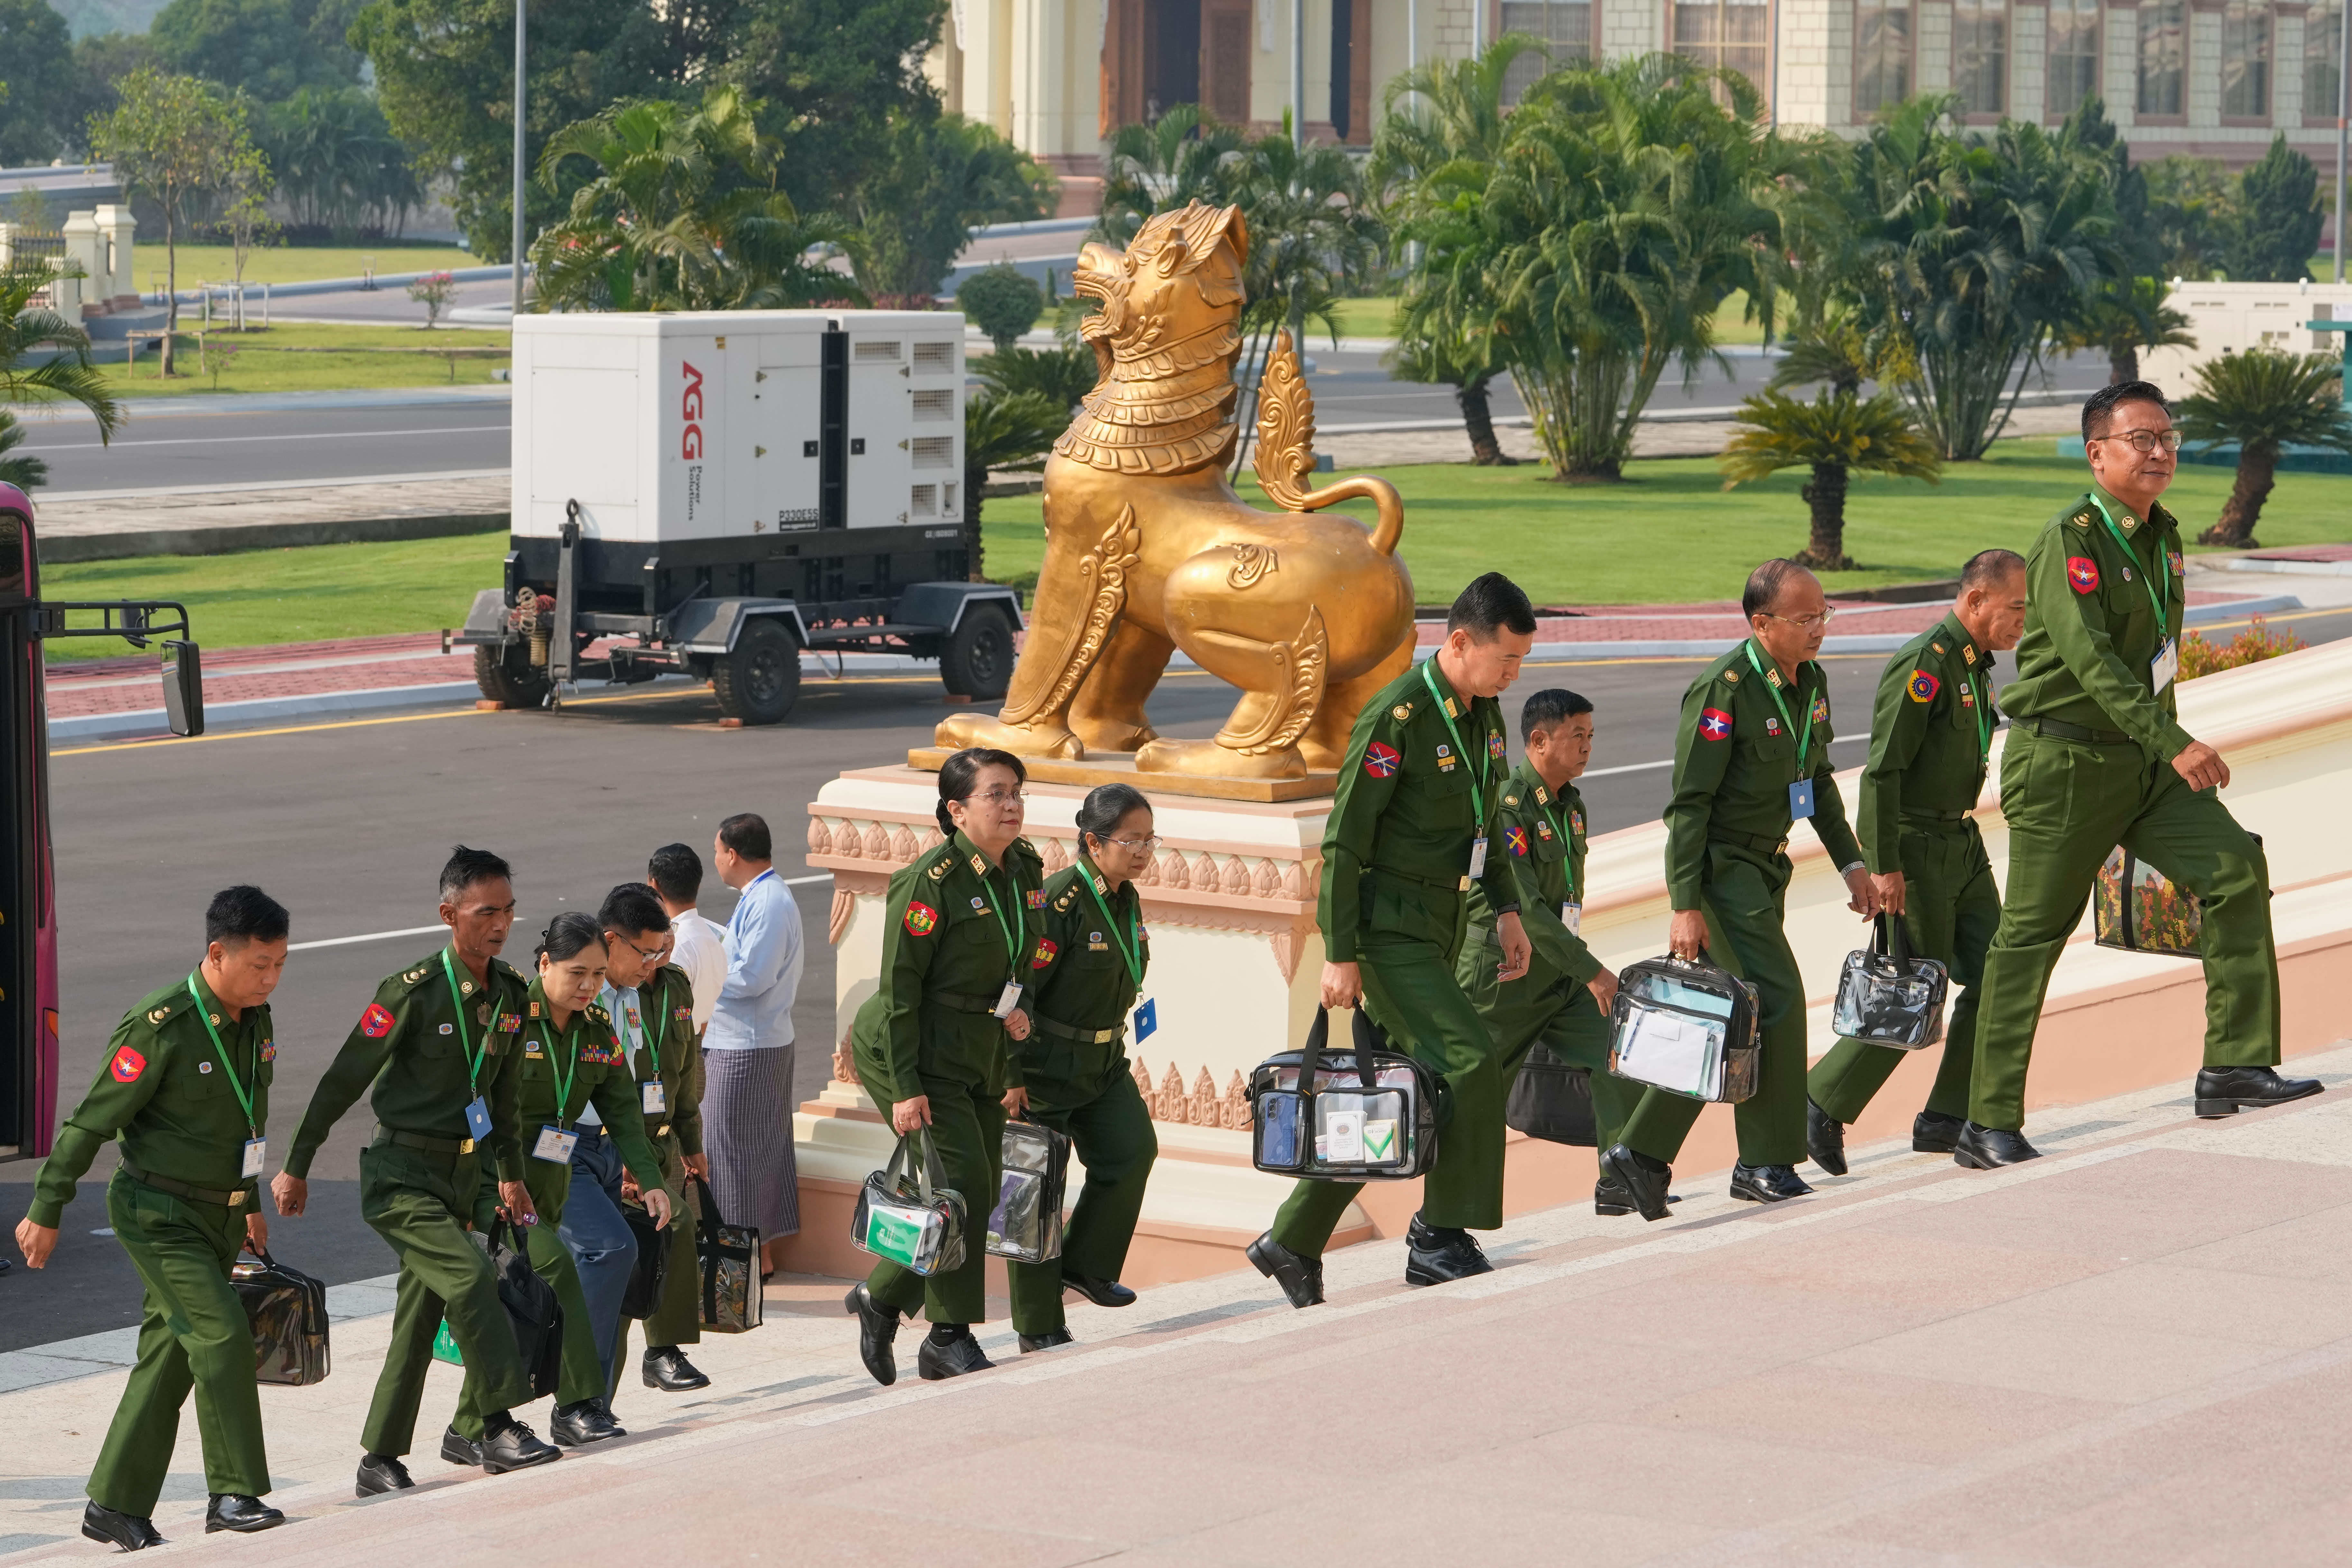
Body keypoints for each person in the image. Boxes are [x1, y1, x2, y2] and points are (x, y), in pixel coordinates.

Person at [1960, 382, 2319, 1164]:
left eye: (2168, 437)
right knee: (2030, 937)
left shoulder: (2164, 536)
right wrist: (2174, 741)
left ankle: (2234, 1064)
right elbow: (2091, 662)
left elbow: (2152, 663)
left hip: (2143, 761)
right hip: (2064, 763)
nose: (2159, 452)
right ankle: (1983, 1120)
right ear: (2098, 453)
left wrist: (2167, 741)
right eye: (2140, 439)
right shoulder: (2071, 539)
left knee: (2233, 869)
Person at [1248, 572, 1537, 1307]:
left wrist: (1505, 909)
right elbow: (1345, 842)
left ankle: (1292, 1239)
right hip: (1386, 933)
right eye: (1505, 659)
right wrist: (1339, 951)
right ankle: (1438, 1236)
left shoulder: (1484, 715)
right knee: (1469, 1061)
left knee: (1394, 1088)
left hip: (1439, 921)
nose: (1514, 675)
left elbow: (1488, 828)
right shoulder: (1399, 716)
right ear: (1461, 642)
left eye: (1521, 663)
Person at [275, 846, 562, 1494]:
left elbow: (507, 1101)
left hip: (464, 1179)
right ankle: (493, 1425)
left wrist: (511, 1176)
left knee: (420, 1312)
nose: (500, 923)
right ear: (448, 913)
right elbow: (341, 1081)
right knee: (468, 1277)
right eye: (486, 911)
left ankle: (379, 1457)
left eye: (509, 911)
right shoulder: (412, 993)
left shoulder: (513, 995)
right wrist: (297, 1166)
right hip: (400, 1176)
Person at [1602, 560, 1881, 1221]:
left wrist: (1851, 865)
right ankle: (1763, 1162)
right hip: (1722, 872)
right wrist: (1684, 904)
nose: (1818, 630)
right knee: (1775, 1000)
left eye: (1824, 616)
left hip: (1765, 871)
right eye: (1804, 619)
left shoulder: (1808, 683)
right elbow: (1689, 808)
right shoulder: (1723, 692)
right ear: (1762, 625)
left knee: (1727, 1014)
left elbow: (1817, 783)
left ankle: (1636, 1158)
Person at [15, 887, 293, 1550]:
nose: (271, 977)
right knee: (223, 1336)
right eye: (259, 964)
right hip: (158, 1214)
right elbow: (92, 1122)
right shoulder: (161, 1025)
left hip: (220, 1214)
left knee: (170, 1359)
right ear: (216, 954)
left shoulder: (258, 1020)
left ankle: (114, 1504)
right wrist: (47, 1207)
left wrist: (250, 1204)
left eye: (281, 964)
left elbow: (245, 1120)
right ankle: (233, 1492)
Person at [1806, 552, 2028, 1174]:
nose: (2022, 622)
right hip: (1917, 852)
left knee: (1999, 974)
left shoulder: (1975, 665)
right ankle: (1821, 1100)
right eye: (2015, 608)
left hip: (1962, 843)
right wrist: (1883, 864)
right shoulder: (1927, 664)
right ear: (1977, 600)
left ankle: (1947, 1115)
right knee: (1911, 989)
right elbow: (1884, 772)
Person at [843, 748, 1045, 1384]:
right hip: (913, 1049)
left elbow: (1029, 954)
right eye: (996, 794)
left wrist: (1018, 1029)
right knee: (964, 1190)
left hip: (978, 1049)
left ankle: (881, 1299)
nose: (1011, 804)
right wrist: (905, 1089)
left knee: (974, 1189)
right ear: (957, 810)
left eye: (1016, 792)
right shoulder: (928, 885)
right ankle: (946, 1337)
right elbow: (901, 991)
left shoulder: (1024, 868)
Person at [444, 913, 670, 1461]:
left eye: (597, 974)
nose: (590, 985)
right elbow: (471, 1098)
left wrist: (653, 1176)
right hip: (499, 1179)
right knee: (599, 1252)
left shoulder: (595, 1027)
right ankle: (576, 1404)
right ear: (544, 963)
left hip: (554, 1174)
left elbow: (620, 1105)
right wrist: (494, 1174)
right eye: (577, 973)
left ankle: (468, 1425)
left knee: (525, 1292)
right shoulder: (508, 1016)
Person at [1455, 691, 1651, 1215]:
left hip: (1555, 972)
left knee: (1619, 1048)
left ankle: (1619, 1179)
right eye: (1576, 736)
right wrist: (1592, 970)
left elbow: (1561, 906)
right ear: (1539, 741)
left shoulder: (1572, 806)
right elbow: (1526, 908)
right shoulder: (1510, 804)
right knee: (1472, 1098)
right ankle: (1451, 1218)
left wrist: (1577, 966)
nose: (1588, 746)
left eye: (1591, 735)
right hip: (1501, 974)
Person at [1005, 782, 1161, 1352]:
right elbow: (1019, 993)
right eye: (1131, 840)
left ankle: (1089, 1264)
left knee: (1131, 1150)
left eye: (1150, 839)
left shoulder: (1125, 896)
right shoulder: (1061, 902)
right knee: (1037, 1191)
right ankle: (1039, 1321)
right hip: (1046, 1065)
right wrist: (1011, 1076)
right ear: (1093, 842)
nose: (1143, 850)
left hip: (1104, 1060)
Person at [598, 882, 713, 1396]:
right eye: (649, 951)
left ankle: (661, 1352)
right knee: (633, 1260)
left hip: (663, 1143)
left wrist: (693, 1143)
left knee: (662, 1245)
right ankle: (604, 1390)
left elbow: (684, 1073)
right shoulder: (604, 993)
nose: (657, 958)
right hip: (621, 1148)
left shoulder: (675, 987)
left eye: (663, 947)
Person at [705, 813, 806, 1272]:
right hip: (753, 1040)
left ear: (732, 854)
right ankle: (755, 1253)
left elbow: (752, 977)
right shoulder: (761, 896)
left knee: (731, 1152)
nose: (716, 861)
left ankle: (742, 1258)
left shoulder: (768, 901)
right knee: (755, 1148)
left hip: (746, 1044)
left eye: (717, 852)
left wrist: (704, 974)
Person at [651, 843, 725, 1036]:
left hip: (679, 1048)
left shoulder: (671, 946)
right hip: (705, 1039)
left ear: (654, 885)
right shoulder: (717, 936)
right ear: (698, 885)